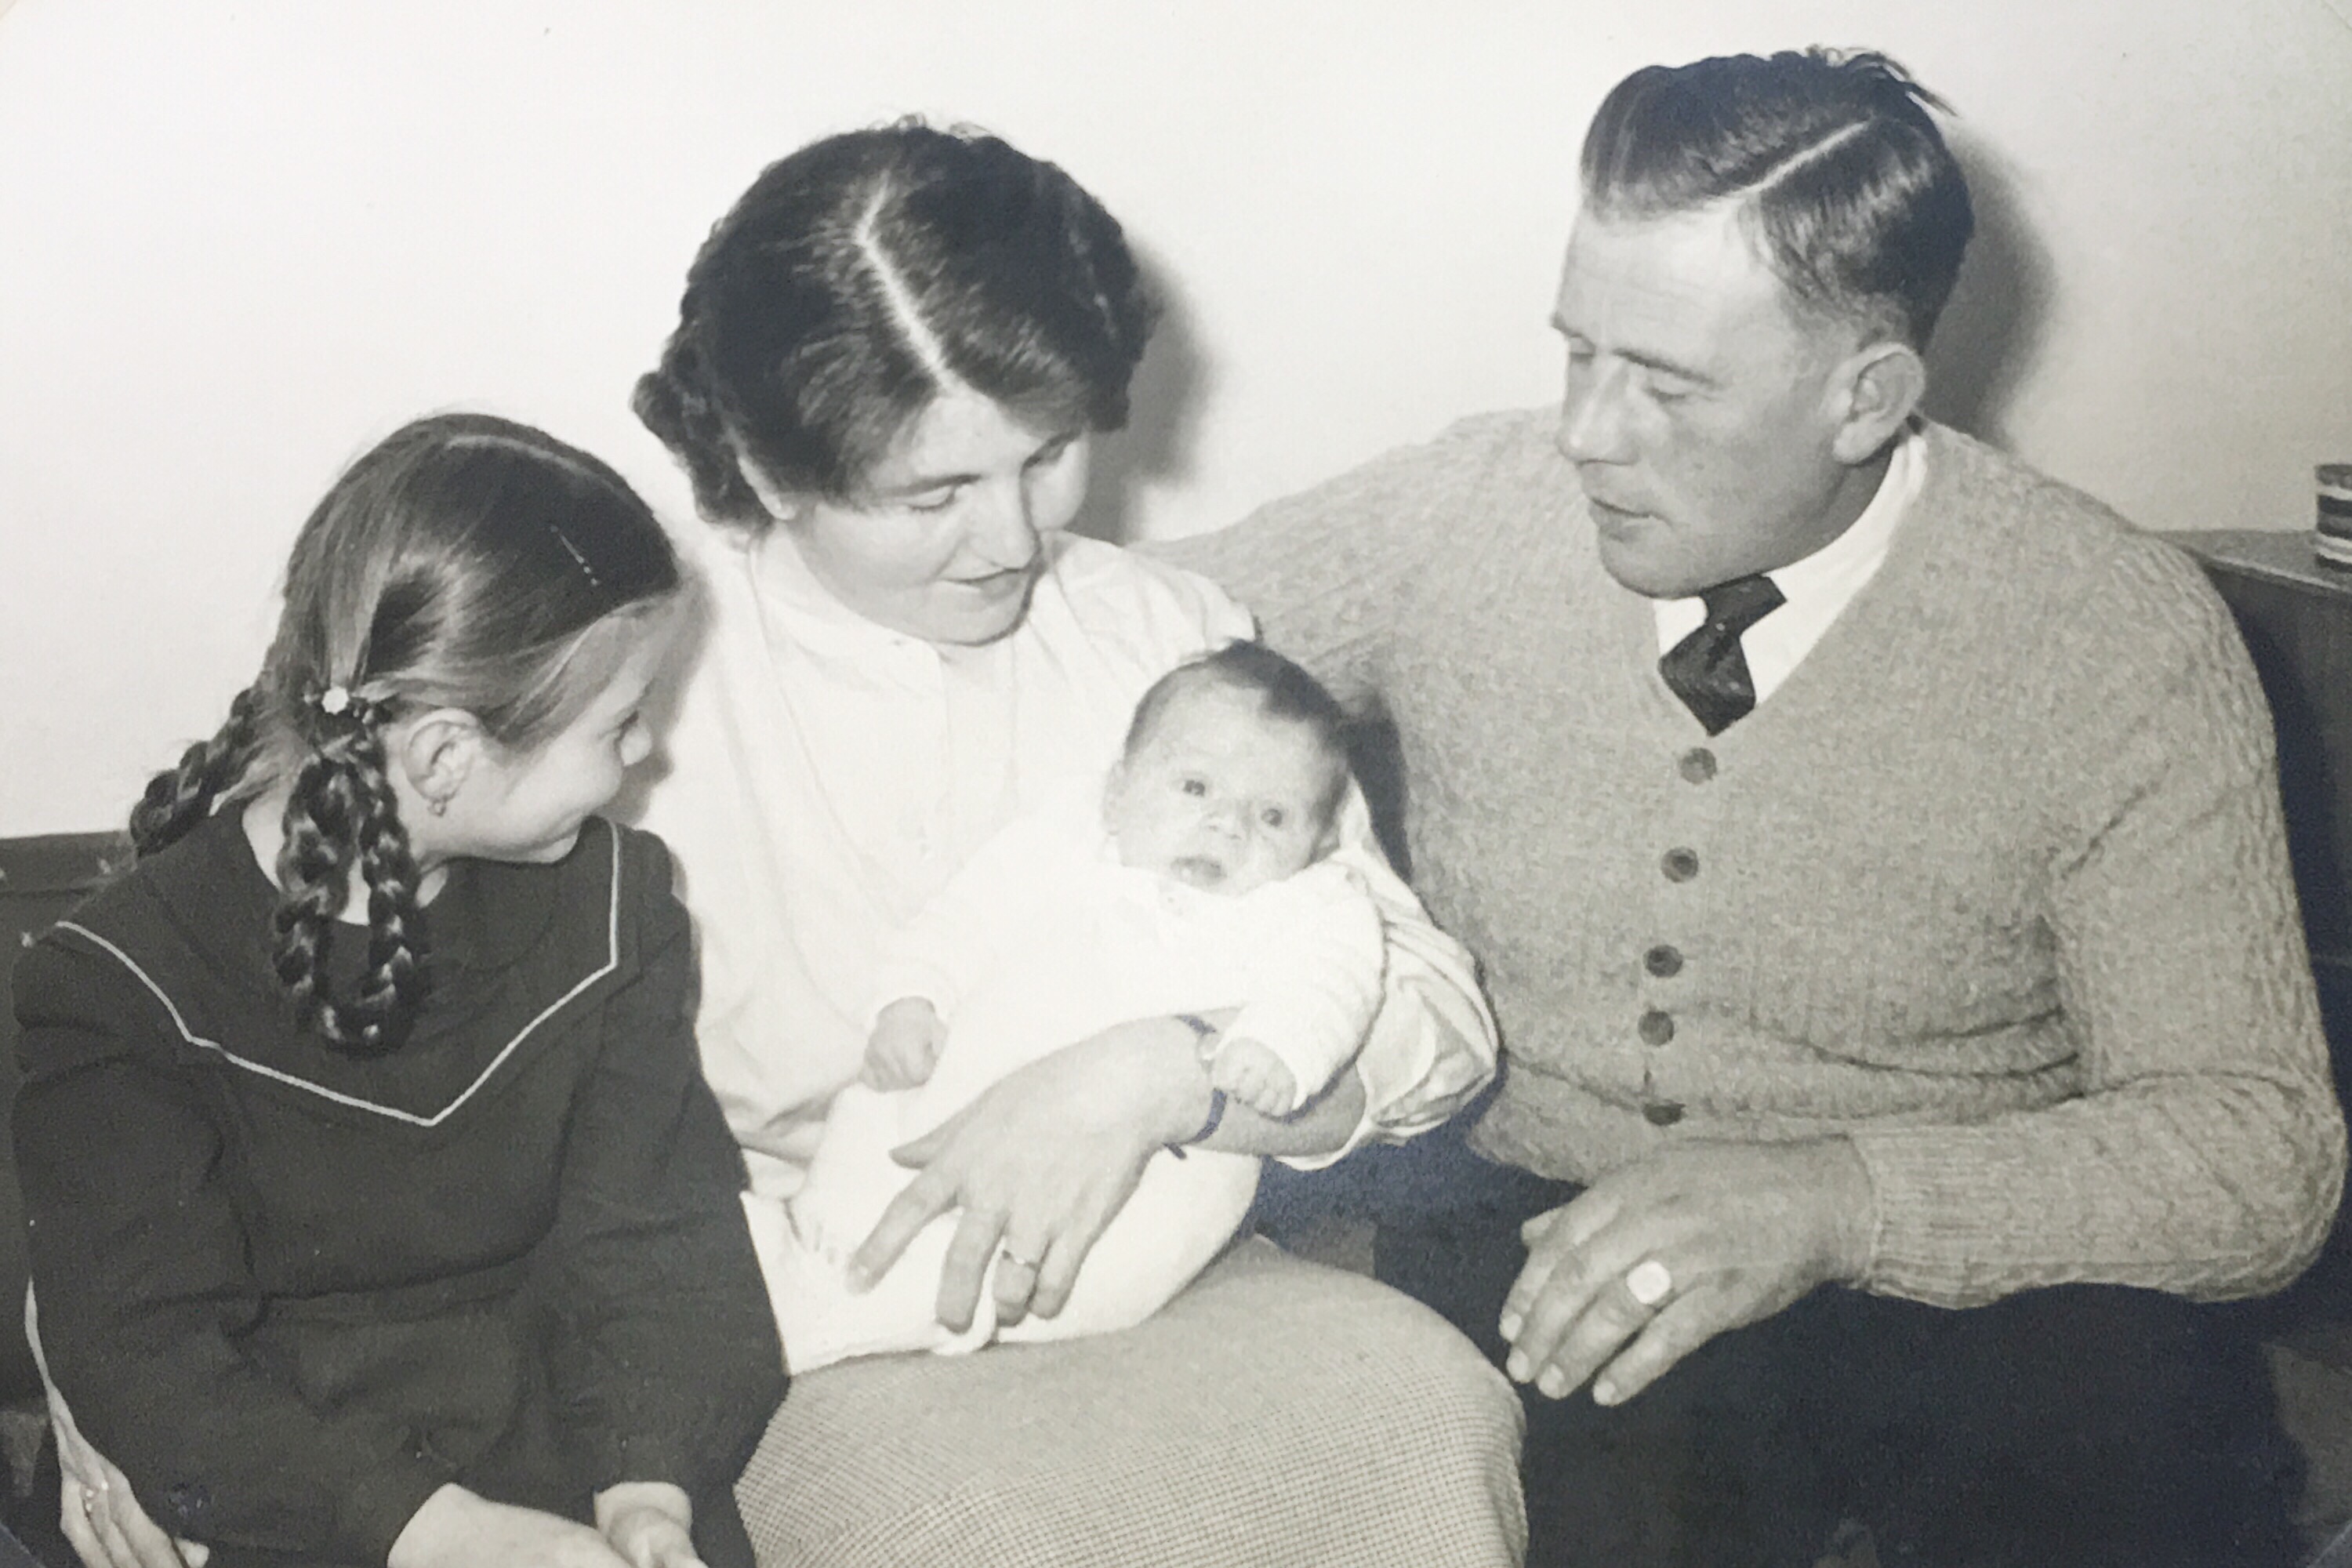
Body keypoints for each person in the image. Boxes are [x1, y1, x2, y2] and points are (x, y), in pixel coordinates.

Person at [1160, 47, 2348, 1568]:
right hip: (1546, 1248)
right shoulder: (1464, 512)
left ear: (1866, 398)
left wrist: (1837, 1201)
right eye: (1578, 352)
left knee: (2128, 1455)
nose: (1587, 431)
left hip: (1985, 1284)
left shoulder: (2117, 635)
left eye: (1664, 386)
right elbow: (1112, 648)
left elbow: (2259, 1157)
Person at [13, 415, 786, 1568]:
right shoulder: (116, 983)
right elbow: (148, 1360)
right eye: (622, 723)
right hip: (288, 1492)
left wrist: (647, 1489)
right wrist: (447, 1536)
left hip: (570, 1455)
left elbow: (662, 1244)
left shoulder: (618, 906)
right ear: (441, 757)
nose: (644, 757)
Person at [763, 641, 1385, 1371]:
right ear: (1118, 791)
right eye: (1195, 788)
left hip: (1146, 1172)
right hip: (957, 1095)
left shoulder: (1311, 905)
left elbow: (1339, 983)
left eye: (1273, 816)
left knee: (1130, 1253)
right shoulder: (1068, 841)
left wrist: (1282, 1047)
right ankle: (810, 1241)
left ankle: (868, 1313)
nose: (1228, 826)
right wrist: (913, 996)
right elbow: (967, 916)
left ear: (1318, 843)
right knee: (872, 1120)